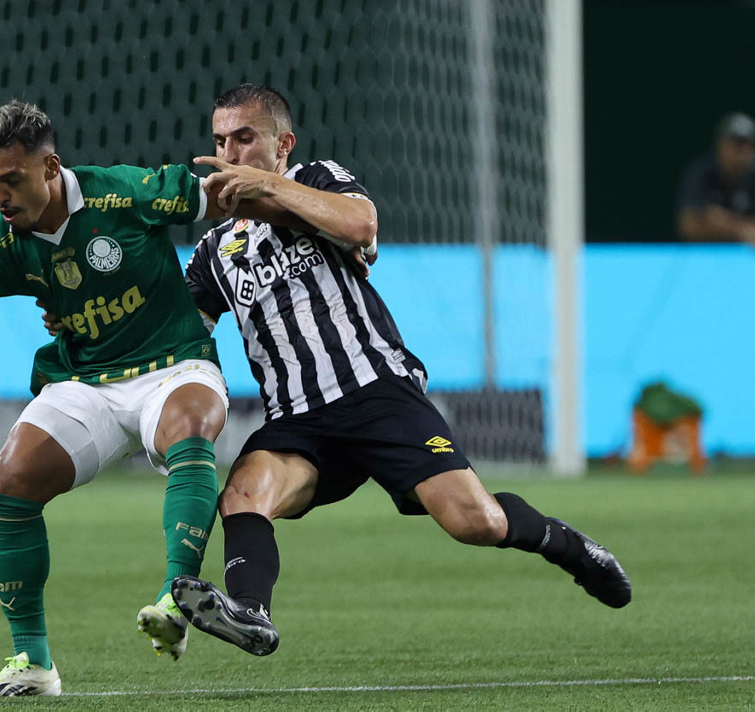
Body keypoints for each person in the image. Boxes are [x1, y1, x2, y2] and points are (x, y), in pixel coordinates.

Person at [0, 100, 318, 697]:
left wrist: (329, 225)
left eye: (11, 179)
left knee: (191, 423)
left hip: (174, 364)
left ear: (50, 167)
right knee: (12, 477)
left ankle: (175, 600)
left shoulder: (123, 192)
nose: (0, 196)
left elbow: (230, 196)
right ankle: (33, 664)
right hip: (87, 380)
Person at [162, 84, 632, 656]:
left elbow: (361, 224)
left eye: (244, 138)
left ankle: (572, 548)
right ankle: (250, 612)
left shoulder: (316, 181)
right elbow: (178, 334)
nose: (230, 154)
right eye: (220, 142)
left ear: (283, 144)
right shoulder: (214, 251)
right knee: (242, 491)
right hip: (297, 420)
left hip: (376, 392)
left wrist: (268, 187)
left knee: (475, 521)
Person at [677, 112, 755, 243]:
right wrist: (742, 230)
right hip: (705, 253)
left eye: (750, 147)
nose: (742, 154)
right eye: (737, 146)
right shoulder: (701, 173)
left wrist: (716, 219)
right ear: (720, 146)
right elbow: (689, 226)